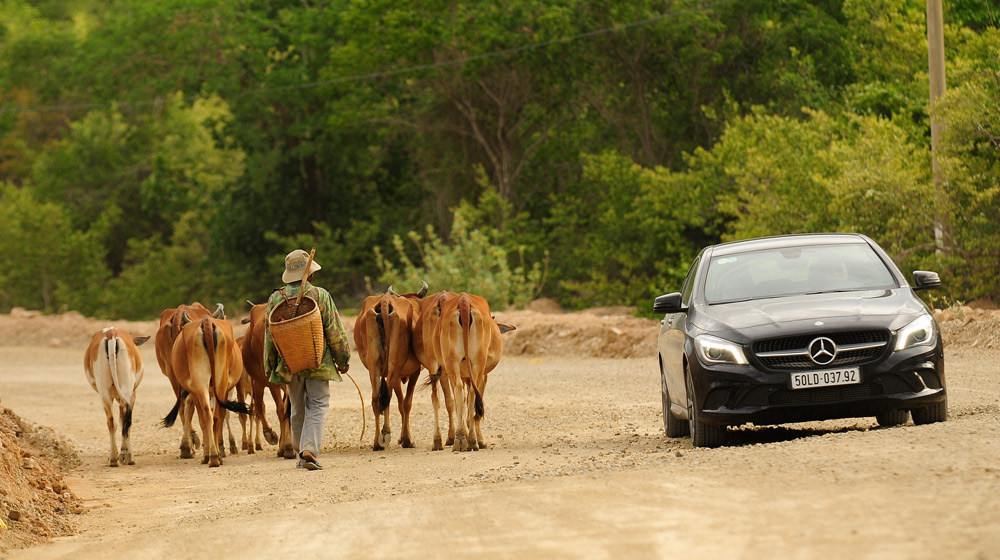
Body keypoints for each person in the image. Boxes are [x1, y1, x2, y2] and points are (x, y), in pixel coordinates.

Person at [263, 249, 351, 471]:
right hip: (318, 362)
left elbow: (270, 336)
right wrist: (343, 358)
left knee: (297, 405)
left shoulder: (275, 298)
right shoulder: (321, 295)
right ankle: (309, 449)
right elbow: (334, 331)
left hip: (289, 364)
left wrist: (270, 366)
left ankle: (301, 452)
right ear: (309, 275)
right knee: (318, 403)